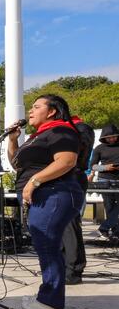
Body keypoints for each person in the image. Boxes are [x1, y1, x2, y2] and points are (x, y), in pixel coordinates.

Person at [7, 94, 83, 309]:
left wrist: (34, 181)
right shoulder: (37, 136)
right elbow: (17, 164)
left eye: (36, 106)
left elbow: (67, 161)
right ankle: (48, 296)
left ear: (51, 111)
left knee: (47, 244)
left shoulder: (61, 130)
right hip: (43, 194)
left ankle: (51, 302)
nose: (30, 111)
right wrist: (13, 140)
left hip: (55, 192)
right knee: (45, 244)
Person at [62, 115, 95, 285]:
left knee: (69, 225)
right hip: (66, 178)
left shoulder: (80, 128)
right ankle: (65, 266)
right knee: (63, 225)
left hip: (72, 177)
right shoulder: (70, 128)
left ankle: (73, 270)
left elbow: (75, 155)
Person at [88, 123, 119, 238]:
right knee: (109, 206)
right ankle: (115, 231)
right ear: (104, 137)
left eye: (114, 137)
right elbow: (93, 166)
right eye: (109, 137)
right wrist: (106, 167)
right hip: (104, 180)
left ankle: (104, 228)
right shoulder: (99, 148)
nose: (112, 139)